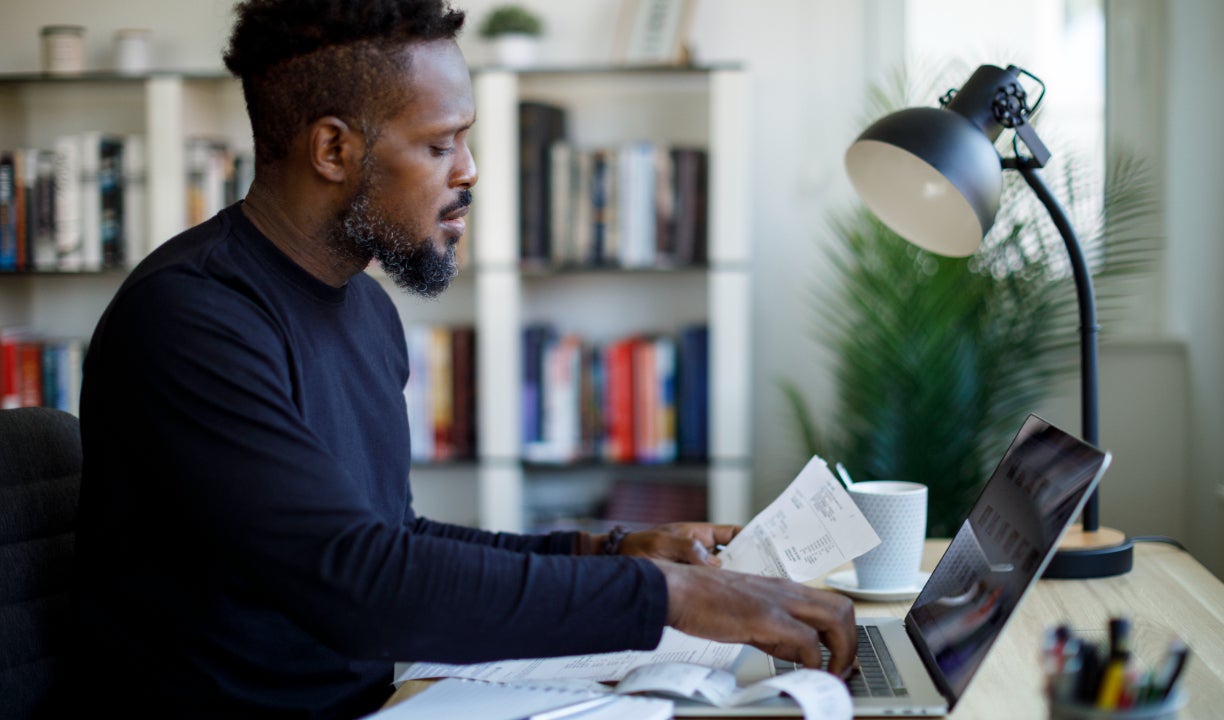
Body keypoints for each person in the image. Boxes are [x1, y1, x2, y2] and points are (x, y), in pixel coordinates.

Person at [67, 1, 857, 717]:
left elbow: (394, 538)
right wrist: (666, 595)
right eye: (440, 144)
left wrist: (607, 549)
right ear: (333, 148)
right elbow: (360, 584)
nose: (469, 170)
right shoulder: (192, 320)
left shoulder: (364, 308)